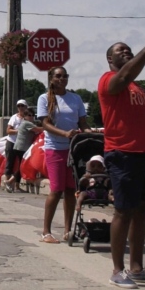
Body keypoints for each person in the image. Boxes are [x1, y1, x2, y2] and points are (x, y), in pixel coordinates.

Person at [99, 31, 145, 288]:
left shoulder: (138, 89)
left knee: (142, 211)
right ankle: (118, 270)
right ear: (109, 59)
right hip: (123, 153)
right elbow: (126, 74)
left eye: (129, 49)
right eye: (120, 50)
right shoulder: (109, 80)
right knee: (123, 210)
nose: (126, 51)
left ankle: (137, 267)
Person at [36, 66, 89, 244]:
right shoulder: (44, 99)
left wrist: (90, 134)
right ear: (51, 78)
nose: (62, 79)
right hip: (55, 148)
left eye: (65, 76)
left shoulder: (75, 98)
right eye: (58, 76)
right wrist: (64, 134)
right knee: (56, 189)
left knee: (70, 190)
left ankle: (68, 230)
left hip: (73, 149)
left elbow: (83, 123)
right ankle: (46, 231)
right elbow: (44, 123)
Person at [11, 106, 42, 192]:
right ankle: (11, 182)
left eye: (33, 115)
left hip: (20, 147)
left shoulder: (25, 122)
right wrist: (49, 128)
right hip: (22, 147)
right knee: (22, 167)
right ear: (25, 116)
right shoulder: (27, 123)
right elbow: (37, 129)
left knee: (21, 166)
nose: (32, 117)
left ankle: (15, 185)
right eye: (29, 115)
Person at [3, 99, 31, 192]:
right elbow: (8, 130)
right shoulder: (14, 117)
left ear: (26, 107)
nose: (20, 108)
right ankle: (7, 183)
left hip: (23, 144)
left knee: (21, 165)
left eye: (22, 106)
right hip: (12, 141)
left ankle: (17, 186)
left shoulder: (28, 118)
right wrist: (18, 131)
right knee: (9, 163)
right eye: (19, 106)